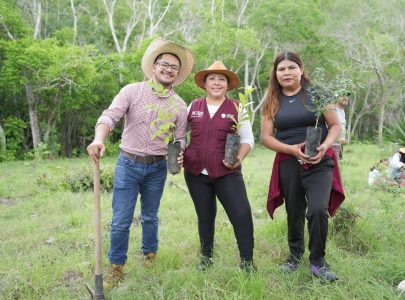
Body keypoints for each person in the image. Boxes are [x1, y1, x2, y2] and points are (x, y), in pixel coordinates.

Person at [86, 39, 194, 285]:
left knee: (150, 216)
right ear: (154, 67)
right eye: (164, 64)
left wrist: (179, 154)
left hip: (157, 168)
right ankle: (116, 267)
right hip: (128, 164)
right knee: (121, 219)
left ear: (178, 74)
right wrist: (98, 138)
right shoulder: (132, 91)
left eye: (174, 67)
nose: (169, 69)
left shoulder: (179, 105)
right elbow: (110, 116)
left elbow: (179, 138)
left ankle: (150, 255)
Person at [260, 51, 345, 282]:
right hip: (288, 161)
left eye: (291, 68)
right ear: (275, 74)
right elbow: (266, 137)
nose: (286, 73)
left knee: (318, 209)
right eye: (281, 69)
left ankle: (318, 262)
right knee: (294, 211)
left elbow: (335, 125)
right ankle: (294, 257)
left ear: (301, 69)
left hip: (319, 160)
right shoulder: (272, 99)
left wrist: (325, 145)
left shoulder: (316, 94)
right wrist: (290, 149)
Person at [183, 61, 256, 272]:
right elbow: (179, 134)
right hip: (196, 171)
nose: (216, 83)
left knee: (241, 213)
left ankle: (247, 262)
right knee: (205, 215)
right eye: (212, 78)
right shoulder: (193, 106)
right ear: (205, 83)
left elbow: (248, 139)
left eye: (221, 79)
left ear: (227, 84)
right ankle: (206, 258)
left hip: (227, 172)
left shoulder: (237, 108)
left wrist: (238, 158)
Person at [332, 93, 350, 159]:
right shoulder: (332, 110)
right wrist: (339, 139)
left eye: (347, 95)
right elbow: (329, 128)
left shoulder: (342, 111)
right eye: (342, 95)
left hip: (338, 145)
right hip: (331, 146)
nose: (345, 97)